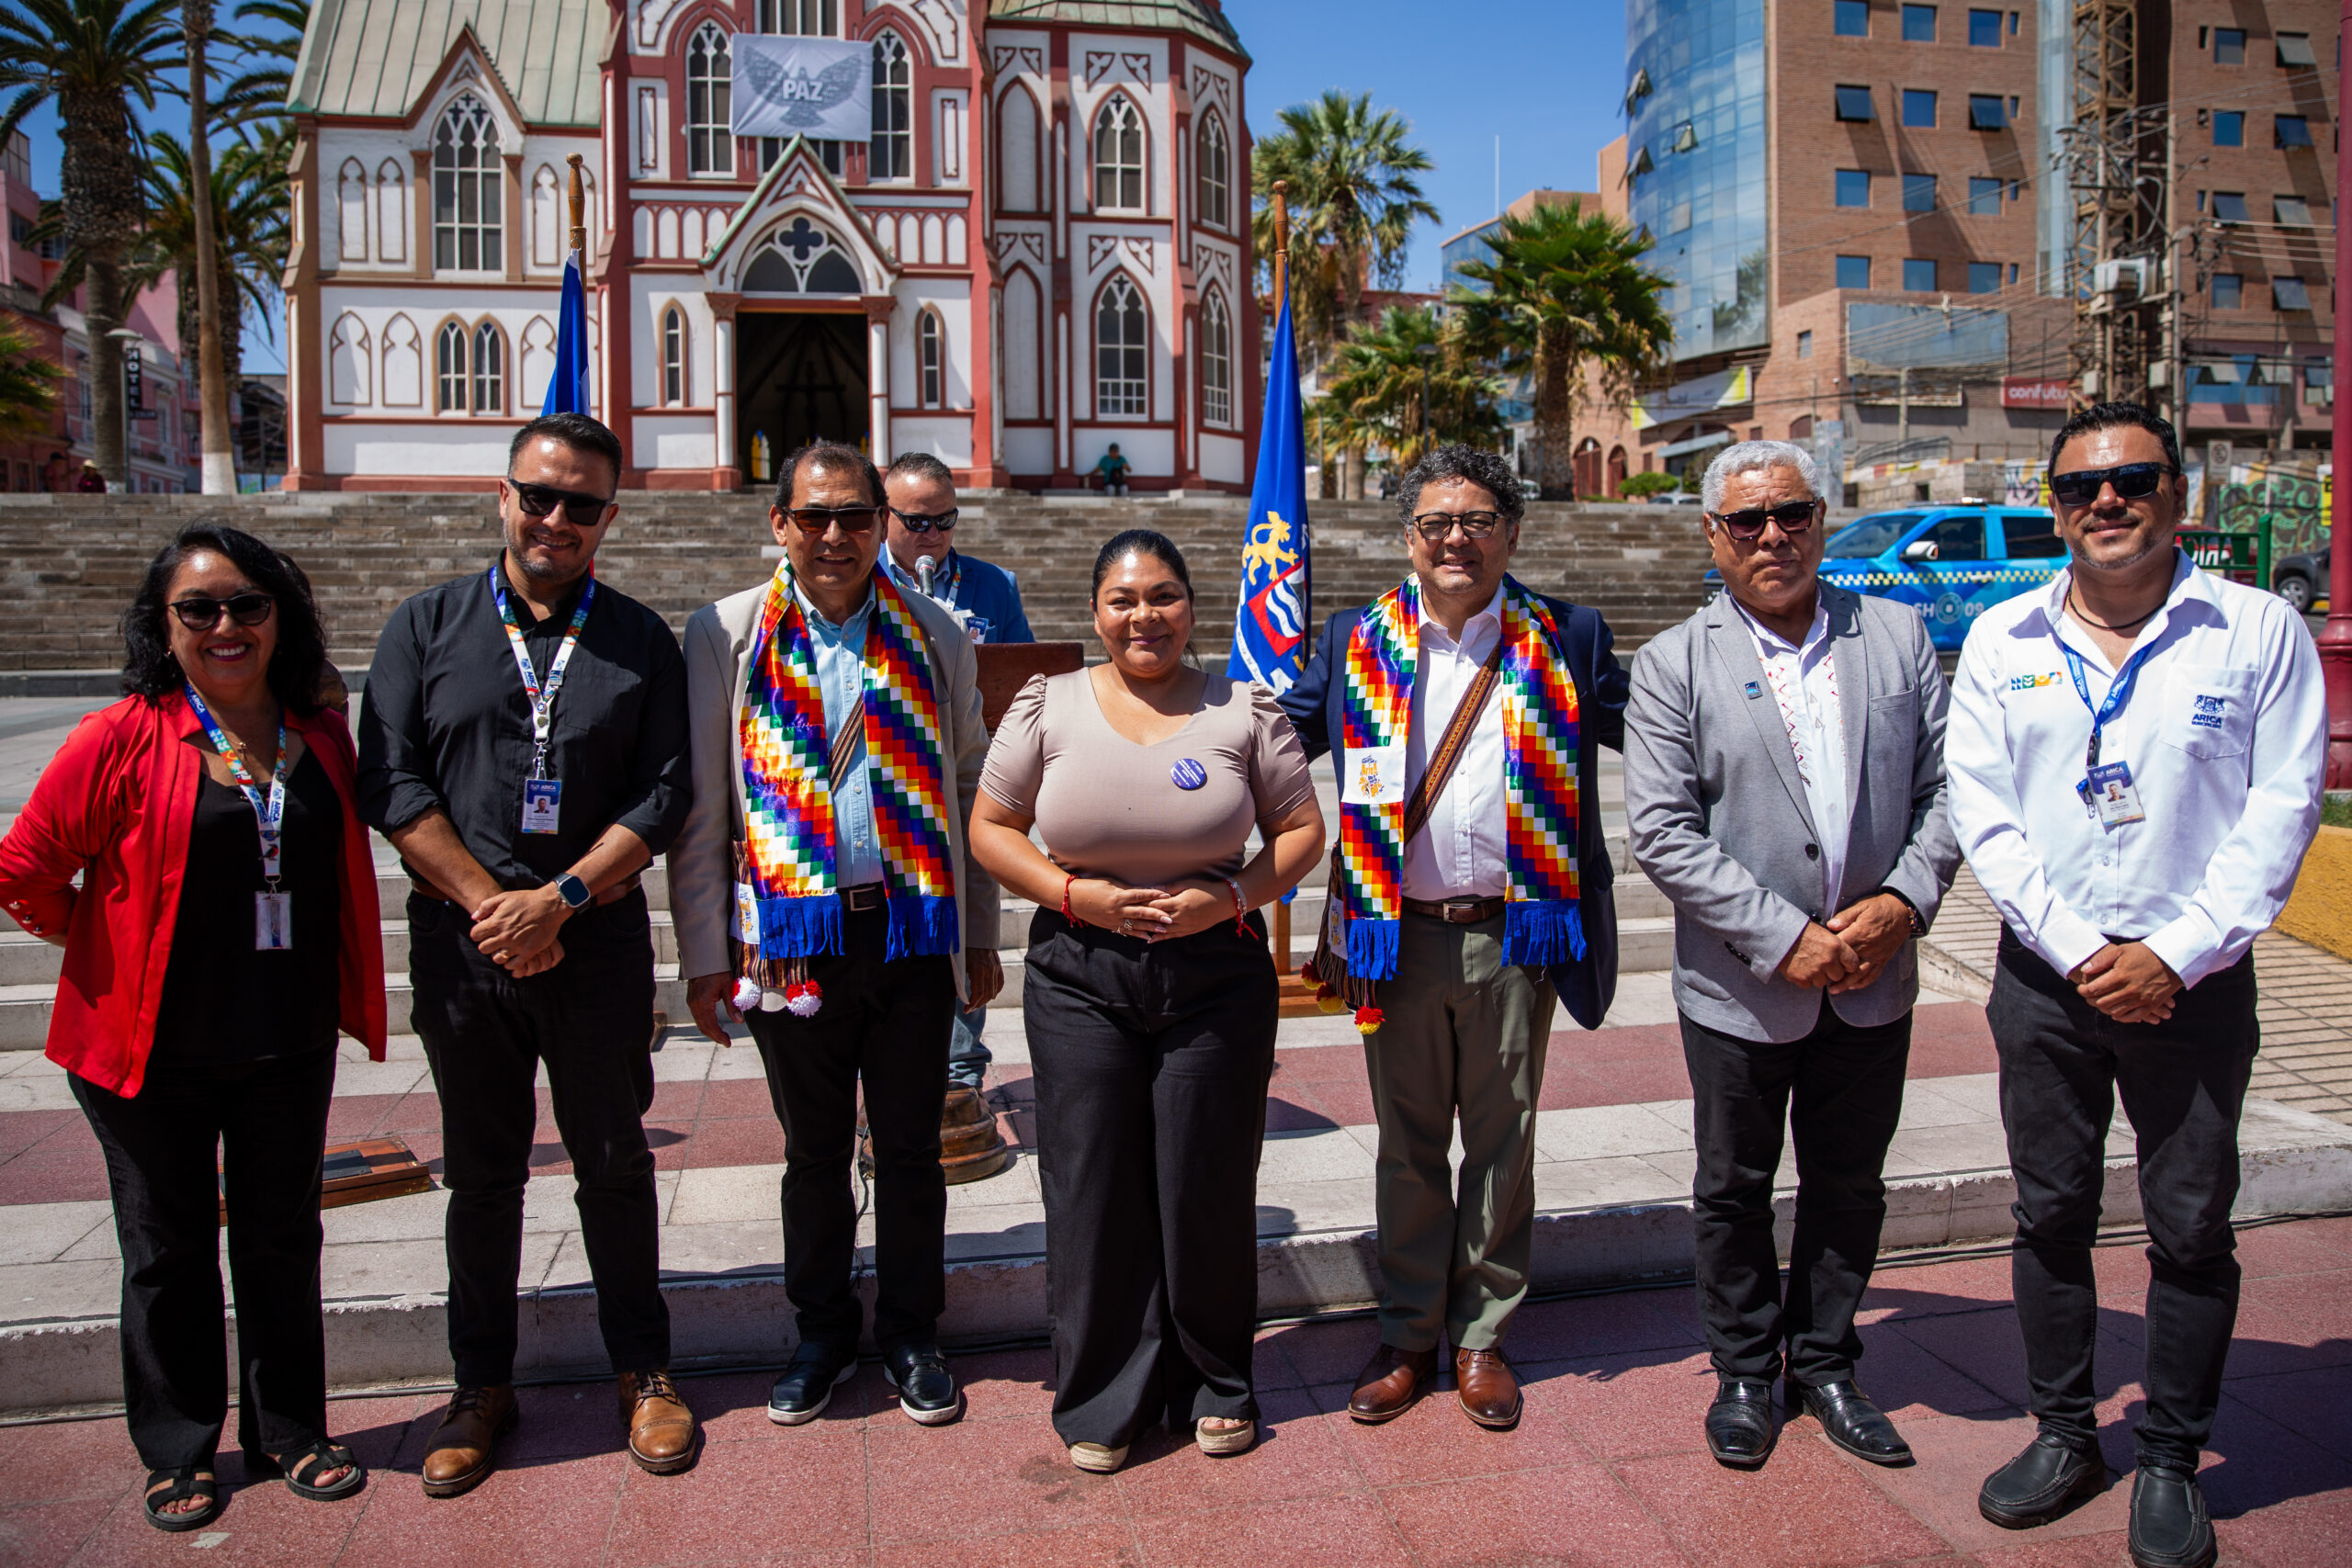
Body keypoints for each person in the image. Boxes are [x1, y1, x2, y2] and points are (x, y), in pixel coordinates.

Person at [1946, 403, 2327, 1568]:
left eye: (2131, 480)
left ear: (2178, 493)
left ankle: (2168, 1457)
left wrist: (2177, 952)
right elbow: (1984, 813)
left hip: (2193, 982)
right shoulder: (2001, 638)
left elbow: (2282, 807)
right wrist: (2079, 952)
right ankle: (2066, 1435)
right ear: (2054, 508)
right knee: (2049, 1213)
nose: (2104, 502)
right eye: (2079, 488)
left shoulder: (2256, 631)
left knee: (2191, 1226)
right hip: (2046, 979)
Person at [0, 525, 386, 1531]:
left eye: (248, 605)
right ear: (163, 625)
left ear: (280, 617)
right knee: (166, 1251)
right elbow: (23, 870)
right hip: (148, 1053)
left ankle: (289, 1430)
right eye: (198, 608)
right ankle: (178, 1448)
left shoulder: (320, 734)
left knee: (280, 1240)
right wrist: (97, 938)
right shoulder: (120, 736)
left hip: (286, 1039)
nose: (226, 625)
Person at [356, 412, 697, 1496]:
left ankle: (644, 1369)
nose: (556, 518)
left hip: (593, 942)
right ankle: (480, 1387)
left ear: (609, 516)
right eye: (538, 496)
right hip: (464, 952)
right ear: (502, 497)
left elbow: (665, 793)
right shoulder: (424, 626)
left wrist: (558, 901)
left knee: (614, 1162)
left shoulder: (640, 640)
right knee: (483, 1174)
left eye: (580, 504)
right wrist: (494, 908)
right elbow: (390, 781)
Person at [1623, 440, 1961, 1471]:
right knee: (1733, 1184)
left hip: (1873, 974)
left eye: (1792, 513)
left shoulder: (1896, 636)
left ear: (1821, 519)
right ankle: (1740, 1370)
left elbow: (1952, 790)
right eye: (1747, 521)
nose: (1772, 535)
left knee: (1849, 1182)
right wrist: (1784, 937)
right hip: (1740, 985)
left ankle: (1823, 1364)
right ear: (1713, 536)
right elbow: (1661, 831)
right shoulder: (1673, 662)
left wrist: (1902, 901)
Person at [1282, 444, 1628, 1430]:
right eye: (1436, 523)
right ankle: (1406, 1332)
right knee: (1408, 1145)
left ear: (1511, 533)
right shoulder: (1355, 639)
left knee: (1504, 1142)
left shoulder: (1567, 634)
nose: (1456, 540)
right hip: (1395, 936)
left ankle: (1481, 1335)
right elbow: (1271, 740)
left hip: (1519, 936)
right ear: (1408, 539)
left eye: (1477, 521)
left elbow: (1660, 730)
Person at [967, 529, 1325, 1472]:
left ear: (1191, 607)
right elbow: (991, 826)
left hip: (1215, 977)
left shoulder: (1243, 707)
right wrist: (1072, 895)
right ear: (1095, 612)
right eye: (1123, 599)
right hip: (1081, 971)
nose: (1144, 617)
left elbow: (1301, 831)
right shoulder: (1048, 703)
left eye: (1163, 596)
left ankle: (1215, 1384)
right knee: (1092, 1188)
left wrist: (1232, 897)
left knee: (1205, 1182)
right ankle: (1102, 1396)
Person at [668, 438, 1001, 1429]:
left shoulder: (935, 631)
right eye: (812, 515)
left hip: (910, 931)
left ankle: (911, 1332)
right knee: (812, 1153)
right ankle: (819, 1332)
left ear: (881, 524)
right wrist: (704, 956)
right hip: (791, 940)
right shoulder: (726, 633)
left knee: (910, 1148)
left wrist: (979, 931)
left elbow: (971, 786)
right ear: (780, 524)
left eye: (855, 515)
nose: (833, 535)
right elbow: (705, 803)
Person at [881, 450, 1032, 1092]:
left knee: (968, 920)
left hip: (968, 774)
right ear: (884, 516)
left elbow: (1027, 677)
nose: (933, 535)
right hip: (888, 791)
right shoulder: (860, 580)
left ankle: (962, 1077)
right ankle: (890, 1081)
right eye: (916, 522)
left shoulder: (993, 585)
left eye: (945, 521)